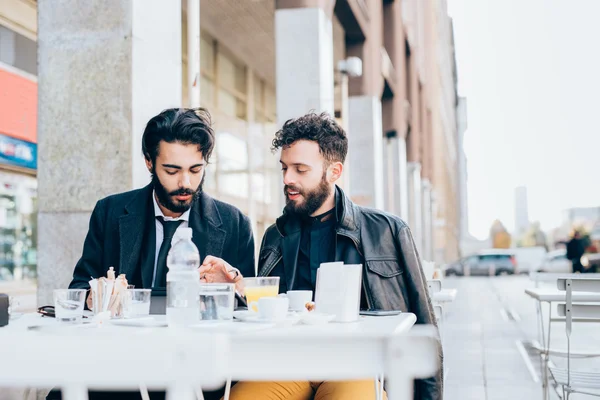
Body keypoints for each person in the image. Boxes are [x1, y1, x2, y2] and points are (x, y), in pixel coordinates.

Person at [202, 112, 442, 400]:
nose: (288, 179)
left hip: (358, 366)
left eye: (300, 170)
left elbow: (426, 330)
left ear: (334, 172)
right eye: (284, 168)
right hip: (286, 366)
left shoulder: (388, 231)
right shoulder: (274, 235)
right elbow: (265, 312)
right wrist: (237, 284)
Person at [49, 108, 254, 400]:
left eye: (196, 170)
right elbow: (80, 288)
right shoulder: (109, 213)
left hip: (196, 370)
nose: (185, 183)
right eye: (172, 171)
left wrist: (234, 289)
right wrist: (98, 296)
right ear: (149, 162)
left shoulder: (235, 224)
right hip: (118, 368)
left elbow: (249, 321)